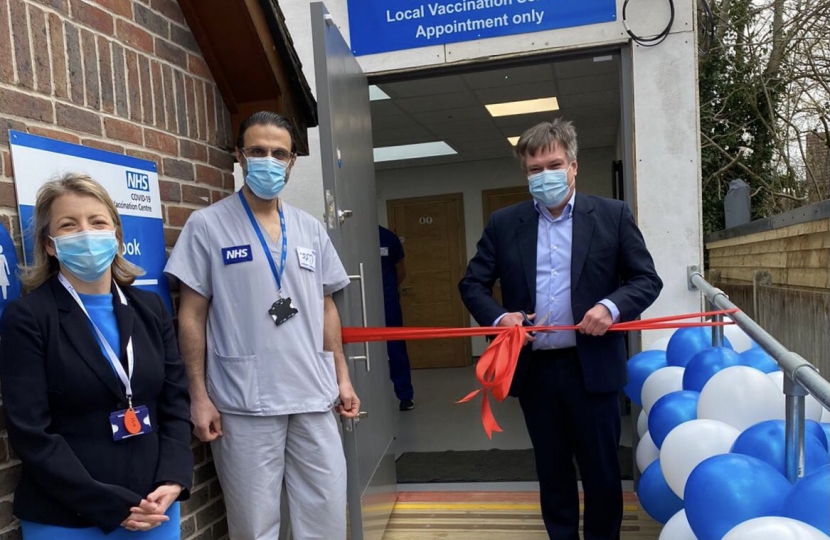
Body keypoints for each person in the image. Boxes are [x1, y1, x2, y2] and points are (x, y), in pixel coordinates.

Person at [458, 119, 662, 540]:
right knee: (552, 472)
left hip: (593, 368)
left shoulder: (611, 215)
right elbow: (472, 283)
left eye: (553, 165)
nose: (544, 176)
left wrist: (610, 307)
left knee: (602, 472)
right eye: (534, 169)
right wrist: (501, 319)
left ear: (573, 166)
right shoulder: (504, 223)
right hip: (536, 370)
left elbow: (646, 280)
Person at [164, 111, 360, 540]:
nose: (268, 161)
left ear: (291, 163)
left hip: (313, 394)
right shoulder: (207, 226)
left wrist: (342, 377)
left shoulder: (310, 230)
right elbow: (191, 314)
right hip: (243, 401)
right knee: (254, 527)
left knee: (326, 516)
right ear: (239, 156)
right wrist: (198, 396)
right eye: (257, 151)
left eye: (279, 153)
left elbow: (326, 306)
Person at [0, 174, 193, 539]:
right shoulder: (29, 317)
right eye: (68, 226)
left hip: (154, 508)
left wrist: (174, 477)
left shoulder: (149, 308)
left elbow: (175, 401)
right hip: (67, 517)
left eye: (97, 221)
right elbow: (31, 433)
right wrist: (109, 505)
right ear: (51, 245)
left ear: (116, 235)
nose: (86, 233)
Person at [378, 225, 415, 411]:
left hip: (388, 302)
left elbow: (401, 271)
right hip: (361, 302)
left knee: (396, 348)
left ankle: (405, 395)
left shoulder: (387, 238)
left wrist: (389, 291)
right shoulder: (354, 238)